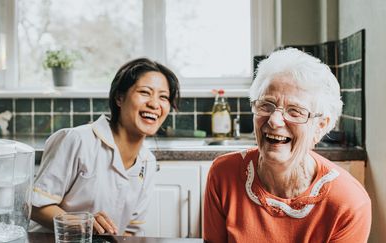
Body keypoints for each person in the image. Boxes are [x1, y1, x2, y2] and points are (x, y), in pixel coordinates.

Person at [203, 48, 371, 242]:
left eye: (295, 111)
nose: (274, 120)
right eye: (266, 105)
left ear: (320, 125)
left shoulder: (348, 202)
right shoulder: (223, 174)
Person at [30, 58, 180, 236]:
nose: (155, 104)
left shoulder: (147, 162)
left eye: (163, 97)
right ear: (119, 97)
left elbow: (130, 231)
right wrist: (83, 224)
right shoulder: (77, 140)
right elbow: (36, 206)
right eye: (145, 92)